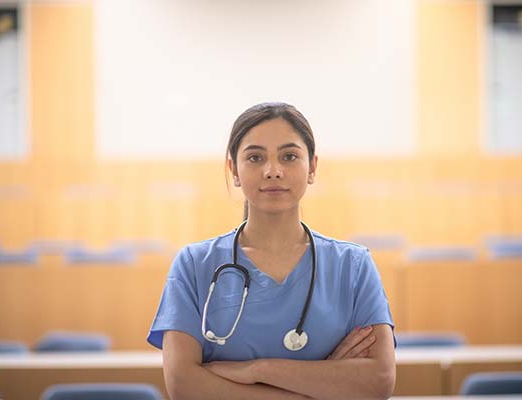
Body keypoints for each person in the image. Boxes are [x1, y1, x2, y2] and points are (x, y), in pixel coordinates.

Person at [147, 102, 396, 400]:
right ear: (234, 170)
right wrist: (323, 384)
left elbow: (378, 380)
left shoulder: (353, 265)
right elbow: (184, 386)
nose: (273, 171)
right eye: (255, 157)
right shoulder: (194, 264)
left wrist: (259, 370)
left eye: (289, 156)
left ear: (312, 167)